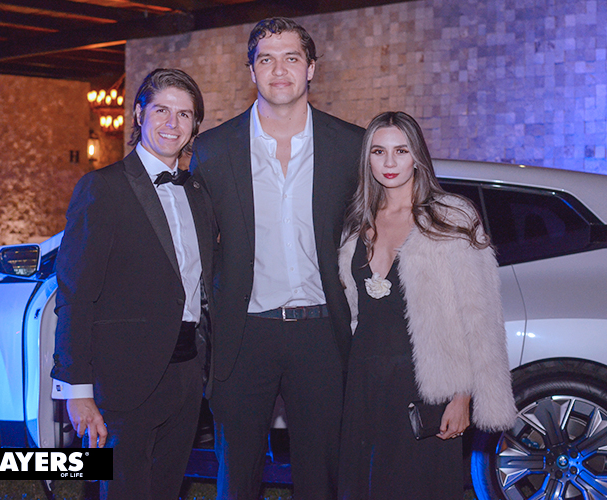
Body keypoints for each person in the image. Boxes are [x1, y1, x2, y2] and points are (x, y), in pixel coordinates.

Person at [190, 17, 363, 500]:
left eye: (291, 58)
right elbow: (196, 244)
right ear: (252, 71)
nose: (279, 70)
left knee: (322, 476)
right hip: (244, 333)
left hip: (322, 332)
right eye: (266, 59)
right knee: (237, 474)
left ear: (311, 68)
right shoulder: (213, 149)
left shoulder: (350, 145)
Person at [50, 68, 214, 500]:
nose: (172, 124)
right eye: (161, 110)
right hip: (122, 382)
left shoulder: (198, 193)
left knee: (166, 490)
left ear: (195, 125)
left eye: (184, 114)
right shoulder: (102, 188)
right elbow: (75, 295)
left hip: (186, 375)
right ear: (139, 114)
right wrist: (77, 390)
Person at [337, 111, 517, 499]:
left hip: (425, 386)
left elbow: (479, 316)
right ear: (367, 159)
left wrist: (463, 395)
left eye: (400, 151)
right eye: (378, 152)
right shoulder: (356, 223)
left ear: (417, 156)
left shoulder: (450, 218)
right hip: (363, 382)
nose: (389, 162)